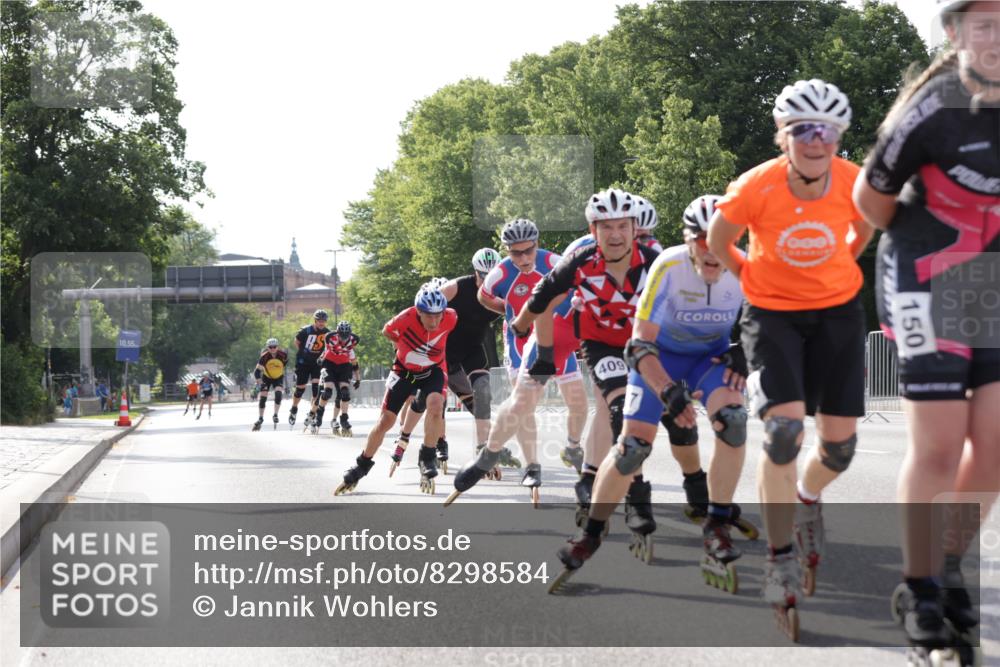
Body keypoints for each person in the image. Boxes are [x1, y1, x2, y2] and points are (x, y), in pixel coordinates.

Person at [852, 1, 999, 660]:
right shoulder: (932, 106)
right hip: (923, 270)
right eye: (984, 22)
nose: (998, 36)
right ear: (955, 32)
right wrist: (931, 238)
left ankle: (947, 563)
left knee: (994, 445)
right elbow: (870, 201)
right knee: (940, 441)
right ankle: (919, 589)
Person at [705, 78, 873, 639]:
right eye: (803, 129)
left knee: (840, 448)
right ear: (783, 135)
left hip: (838, 312)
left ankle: (807, 498)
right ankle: (778, 562)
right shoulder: (755, 187)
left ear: (838, 136)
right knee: (781, 434)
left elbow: (864, 227)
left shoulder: (854, 181)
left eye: (826, 130)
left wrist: (839, 267)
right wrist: (752, 278)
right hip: (772, 314)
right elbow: (719, 238)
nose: (815, 140)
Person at [475, 218, 589, 503]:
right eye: (516, 252)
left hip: (556, 336)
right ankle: (532, 466)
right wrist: (509, 310)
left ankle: (573, 446)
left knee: (577, 401)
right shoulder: (500, 273)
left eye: (529, 250)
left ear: (537, 244)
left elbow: (580, 291)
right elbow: (483, 295)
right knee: (525, 405)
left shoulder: (554, 261)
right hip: (520, 340)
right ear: (507, 250)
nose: (524, 258)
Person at [335, 287, 457, 496]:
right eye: (429, 316)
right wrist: (402, 346)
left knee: (436, 405)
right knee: (385, 422)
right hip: (404, 372)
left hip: (433, 371)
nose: (435, 322)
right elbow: (386, 331)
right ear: (418, 311)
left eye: (438, 316)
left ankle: (427, 456)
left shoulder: (451, 317)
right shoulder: (404, 318)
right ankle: (362, 465)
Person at [313, 321, 361, 435]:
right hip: (329, 364)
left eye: (346, 336)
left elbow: (354, 362)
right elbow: (325, 350)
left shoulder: (353, 341)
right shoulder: (330, 337)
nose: (344, 339)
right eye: (341, 336)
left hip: (344, 366)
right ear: (337, 333)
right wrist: (321, 358)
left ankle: (344, 419)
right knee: (327, 392)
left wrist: (358, 378)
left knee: (345, 393)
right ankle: (319, 413)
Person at [288, 309, 331, 427]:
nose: (321, 323)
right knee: (300, 389)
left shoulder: (328, 333)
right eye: (319, 321)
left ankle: (312, 413)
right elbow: (297, 342)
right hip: (303, 362)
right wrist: (304, 352)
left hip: (317, 363)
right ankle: (294, 408)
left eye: (323, 321)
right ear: (315, 321)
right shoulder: (305, 330)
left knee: (316, 389)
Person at [252, 338, 288, 431]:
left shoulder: (283, 355)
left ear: (277, 347)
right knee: (263, 397)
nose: (272, 349)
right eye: (270, 347)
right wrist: (259, 381)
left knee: (278, 393)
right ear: (267, 348)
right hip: (266, 377)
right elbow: (256, 371)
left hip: (278, 377)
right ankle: (260, 418)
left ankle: (275, 414)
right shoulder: (264, 357)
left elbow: (284, 366)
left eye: (274, 347)